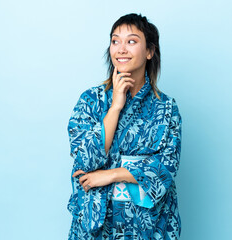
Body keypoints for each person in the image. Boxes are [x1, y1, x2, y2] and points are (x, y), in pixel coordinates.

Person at [67, 13, 182, 239]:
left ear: (149, 51)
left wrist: (110, 175)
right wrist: (115, 107)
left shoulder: (166, 107)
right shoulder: (91, 100)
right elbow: (84, 161)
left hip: (149, 224)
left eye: (131, 41)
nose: (121, 49)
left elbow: (166, 167)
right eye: (115, 41)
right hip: (97, 223)